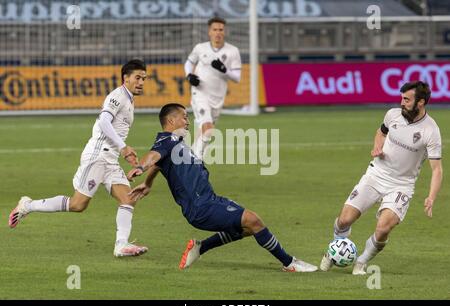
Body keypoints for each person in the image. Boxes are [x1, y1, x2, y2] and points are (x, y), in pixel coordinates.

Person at [126, 103, 318, 272]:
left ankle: (201, 247)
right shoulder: (166, 141)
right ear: (170, 120)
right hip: (200, 207)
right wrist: (141, 167)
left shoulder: (176, 144)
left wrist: (148, 183)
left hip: (210, 199)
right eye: (184, 117)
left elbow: (160, 163)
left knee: (248, 228)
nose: (188, 122)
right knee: (254, 220)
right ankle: (289, 263)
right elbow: (153, 156)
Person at [9, 59, 149, 258]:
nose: (141, 82)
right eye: (137, 78)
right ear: (125, 78)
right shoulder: (117, 96)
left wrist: (124, 152)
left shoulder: (129, 99)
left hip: (110, 159)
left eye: (144, 78)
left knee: (128, 198)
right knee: (78, 204)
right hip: (97, 156)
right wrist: (123, 146)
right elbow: (104, 121)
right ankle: (27, 205)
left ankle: (121, 245)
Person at [319, 81, 443, 275]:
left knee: (383, 229)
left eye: (406, 99)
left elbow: (437, 170)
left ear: (420, 102)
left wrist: (431, 197)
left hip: (401, 185)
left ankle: (361, 261)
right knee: (344, 220)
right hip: (376, 175)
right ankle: (333, 252)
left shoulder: (431, 131)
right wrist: (378, 146)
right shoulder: (392, 114)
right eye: (401, 98)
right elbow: (381, 131)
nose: (401, 102)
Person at [184, 16, 241, 160]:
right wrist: (189, 75)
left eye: (221, 29)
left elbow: (237, 77)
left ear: (225, 31)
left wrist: (224, 70)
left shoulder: (232, 51)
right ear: (209, 32)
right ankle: (197, 160)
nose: (218, 32)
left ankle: (191, 157)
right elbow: (189, 63)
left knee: (203, 132)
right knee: (208, 129)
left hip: (217, 97)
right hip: (200, 92)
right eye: (215, 29)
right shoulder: (200, 48)